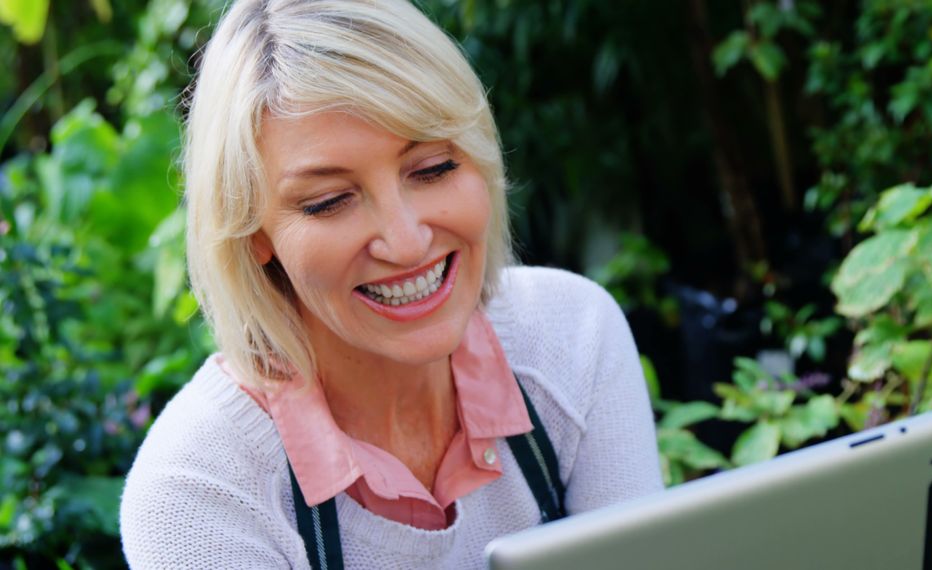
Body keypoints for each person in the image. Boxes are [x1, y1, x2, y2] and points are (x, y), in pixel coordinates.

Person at [119, 0, 662, 567]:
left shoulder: (572, 340)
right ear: (253, 233)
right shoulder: (197, 490)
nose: (404, 242)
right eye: (329, 202)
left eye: (432, 169)